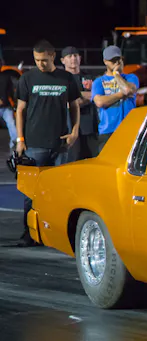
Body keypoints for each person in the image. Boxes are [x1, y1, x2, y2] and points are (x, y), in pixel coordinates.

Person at [15, 39, 80, 247]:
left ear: (53, 56)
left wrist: (74, 131)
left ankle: (57, 234)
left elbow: (74, 105)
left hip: (60, 144)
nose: (40, 64)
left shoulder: (66, 78)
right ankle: (29, 234)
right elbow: (20, 110)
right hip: (34, 144)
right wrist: (20, 139)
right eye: (37, 60)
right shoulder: (27, 78)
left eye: (43, 59)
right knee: (31, 192)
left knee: (58, 192)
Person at [91, 46, 139, 152]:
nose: (116, 63)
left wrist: (116, 74)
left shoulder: (131, 77)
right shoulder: (99, 81)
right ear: (105, 61)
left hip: (129, 129)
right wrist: (121, 94)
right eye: (112, 60)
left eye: (118, 59)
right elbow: (99, 102)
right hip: (108, 130)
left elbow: (128, 89)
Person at [61, 46, 99, 160]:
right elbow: (66, 101)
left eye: (75, 56)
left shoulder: (89, 77)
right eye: (69, 56)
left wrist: (78, 97)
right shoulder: (61, 79)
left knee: (93, 160)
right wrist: (90, 95)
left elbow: (100, 95)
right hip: (70, 127)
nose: (73, 58)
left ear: (80, 58)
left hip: (90, 127)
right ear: (63, 60)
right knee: (73, 160)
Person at [0, 59, 17, 151]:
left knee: (11, 123)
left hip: (6, 107)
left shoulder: (5, 77)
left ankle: (15, 142)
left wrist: (13, 103)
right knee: (11, 123)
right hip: (5, 105)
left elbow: (11, 91)